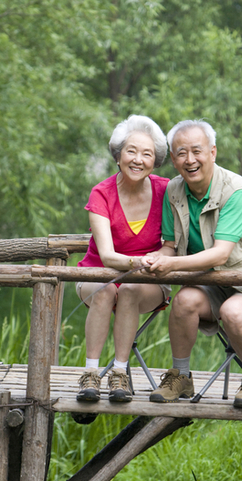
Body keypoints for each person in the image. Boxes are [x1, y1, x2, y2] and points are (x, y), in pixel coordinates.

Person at [141, 119, 242, 408]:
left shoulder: (236, 191)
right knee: (183, 301)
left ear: (213, 152)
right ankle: (180, 377)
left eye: (196, 151)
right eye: (181, 153)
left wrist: (172, 266)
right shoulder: (173, 191)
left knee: (233, 312)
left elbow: (221, 254)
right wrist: (158, 258)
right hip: (213, 282)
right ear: (173, 159)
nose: (190, 159)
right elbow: (170, 246)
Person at [76, 115, 170, 404]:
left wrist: (158, 258)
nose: (138, 159)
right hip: (98, 274)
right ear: (118, 156)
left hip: (147, 281)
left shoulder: (167, 190)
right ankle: (91, 374)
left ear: (155, 161)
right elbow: (105, 255)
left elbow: (173, 245)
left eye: (147, 154)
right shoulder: (101, 193)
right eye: (131, 151)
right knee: (108, 290)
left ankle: (120, 374)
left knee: (127, 290)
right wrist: (137, 261)